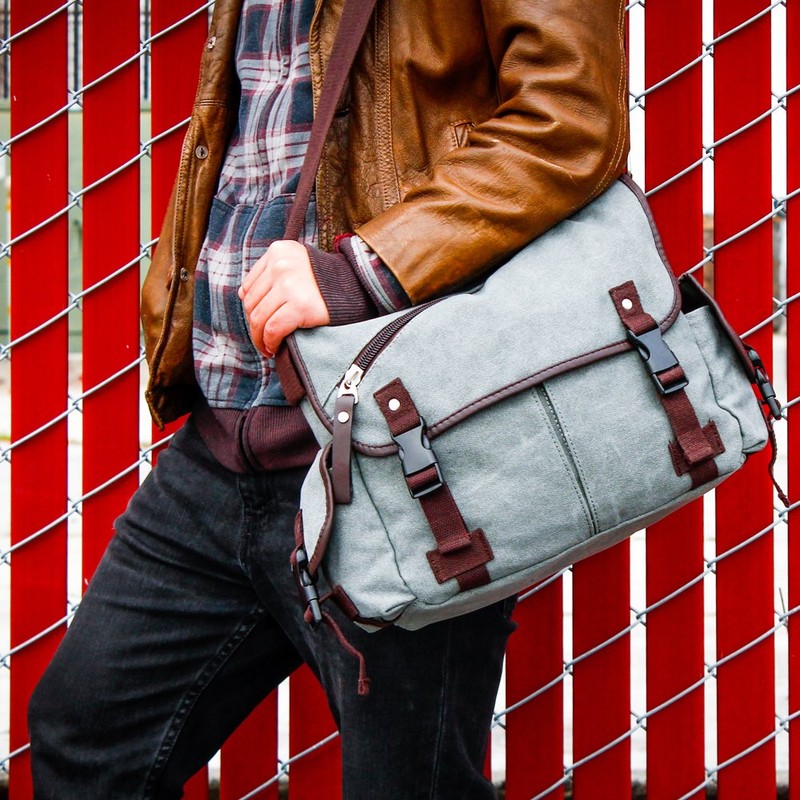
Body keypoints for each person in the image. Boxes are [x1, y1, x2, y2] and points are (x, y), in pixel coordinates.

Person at [28, 0, 629, 797]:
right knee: (84, 739)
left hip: (399, 455)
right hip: (224, 436)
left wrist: (369, 266)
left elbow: (570, 120)